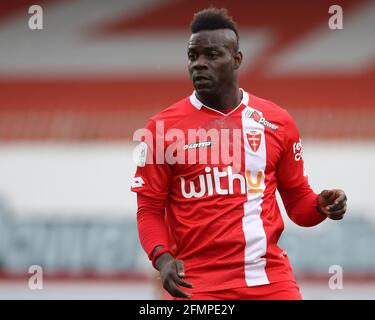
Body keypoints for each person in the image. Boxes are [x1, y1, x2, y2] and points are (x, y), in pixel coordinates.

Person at [131, 7, 347, 300]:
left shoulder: (276, 122)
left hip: (269, 280)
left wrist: (320, 206)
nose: (199, 65)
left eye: (211, 55)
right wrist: (162, 258)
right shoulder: (161, 130)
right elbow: (149, 210)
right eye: (193, 57)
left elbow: (298, 202)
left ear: (237, 59)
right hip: (198, 285)